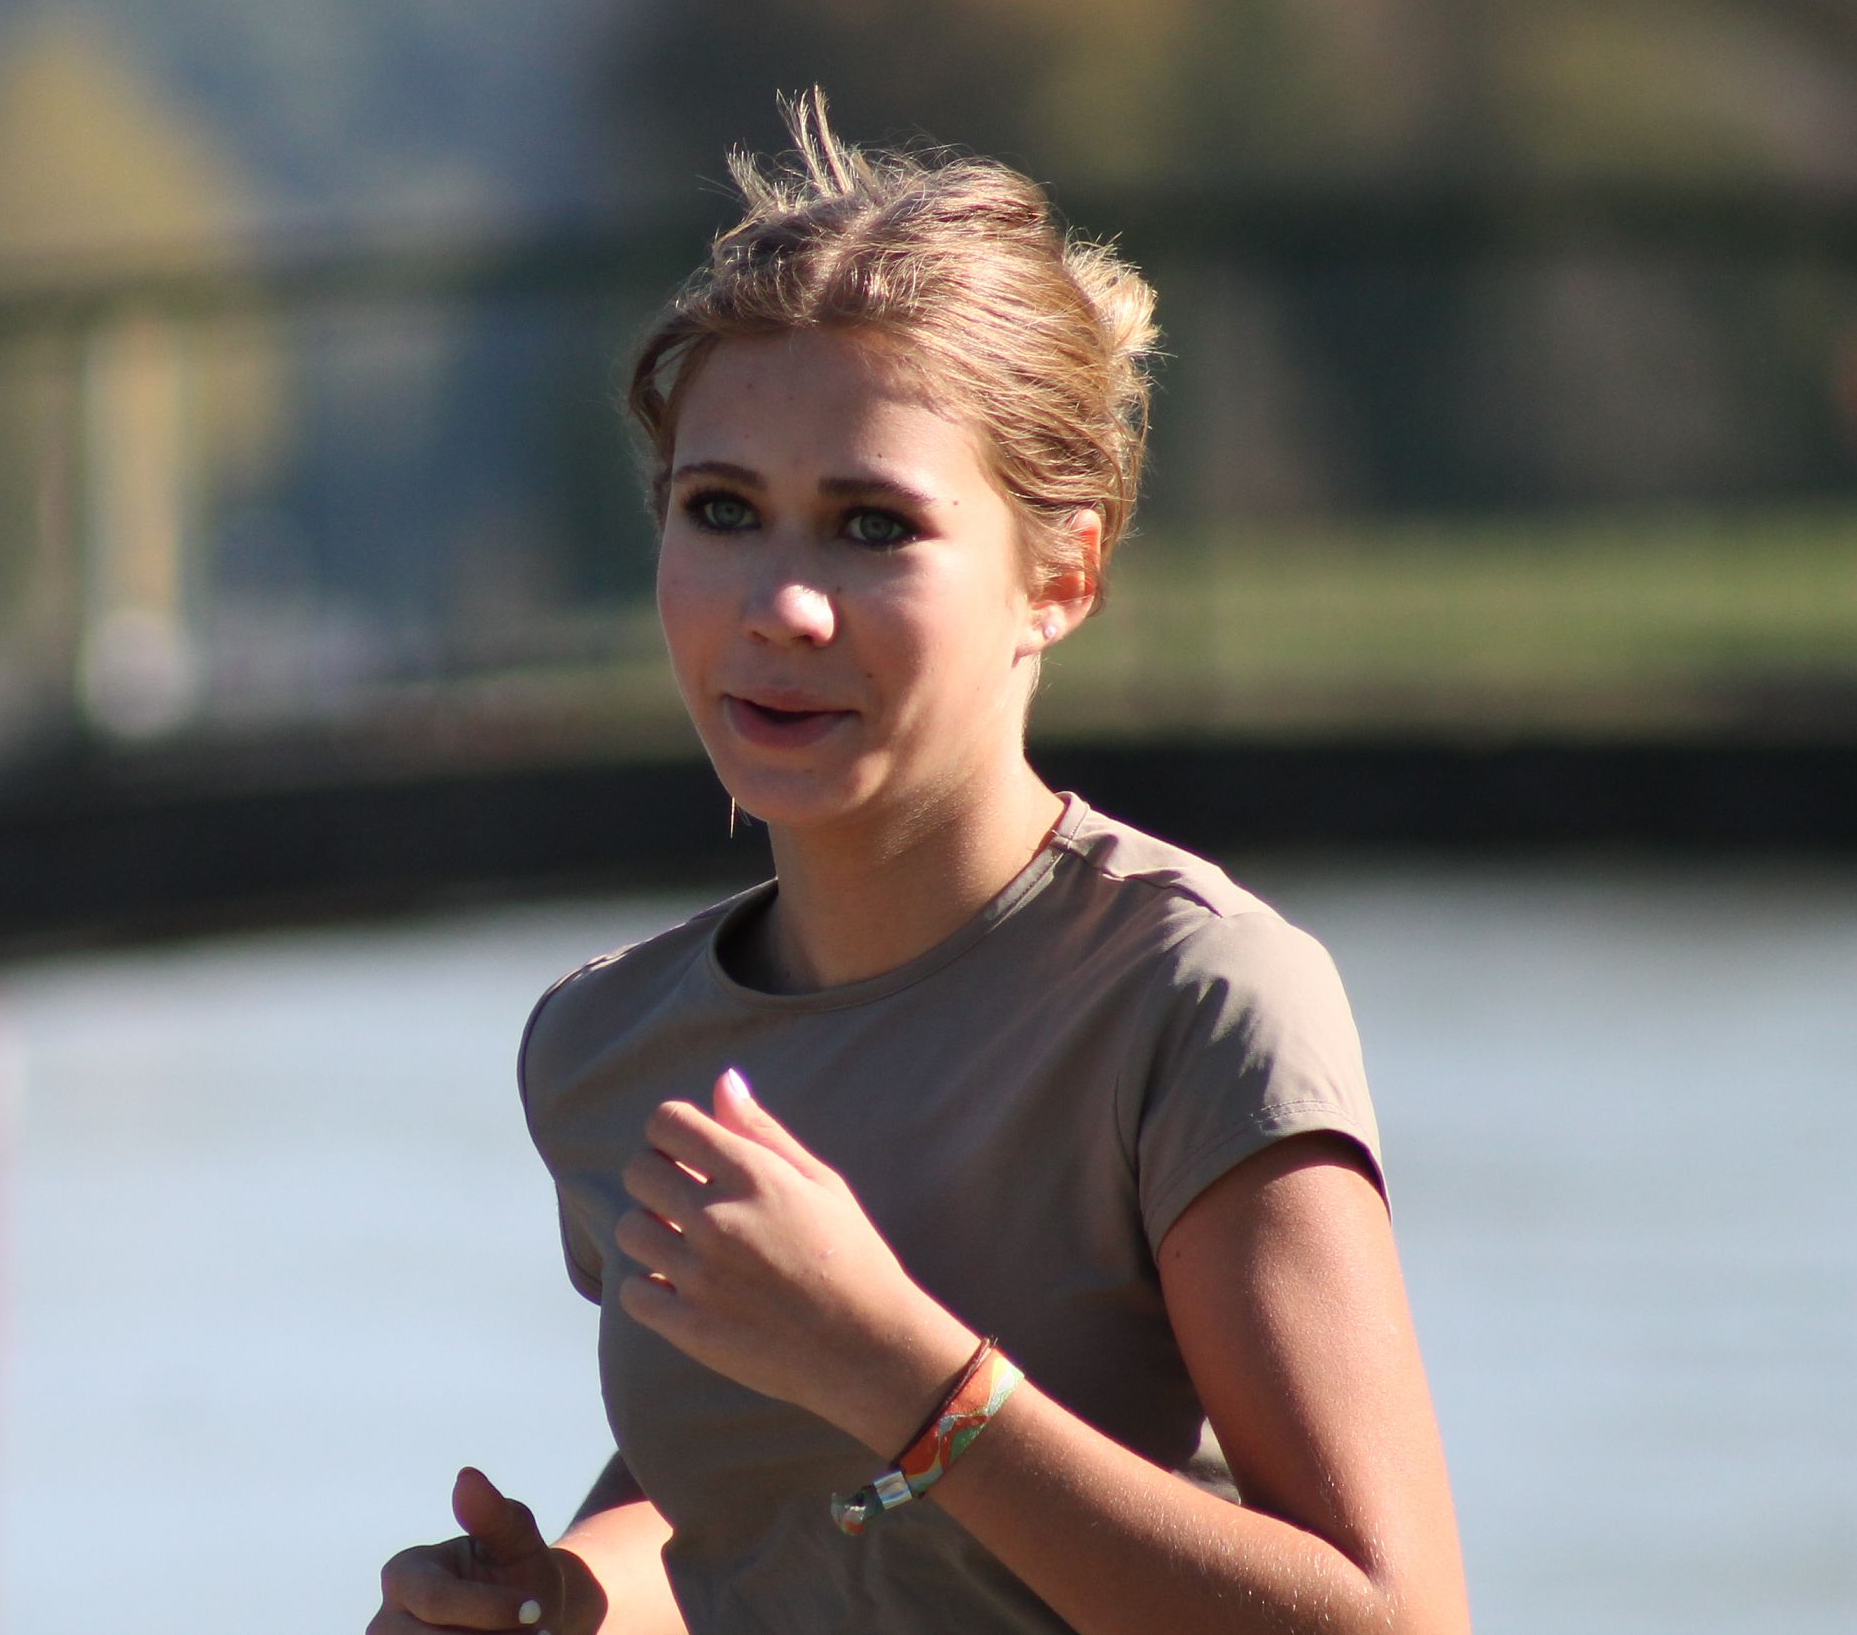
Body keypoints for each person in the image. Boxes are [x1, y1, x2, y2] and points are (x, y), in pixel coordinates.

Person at [368, 98, 1468, 1635]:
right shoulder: (605, 1046)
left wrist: (901, 1372)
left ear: (1059, 572)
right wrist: (557, 1603)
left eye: (871, 525)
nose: (780, 604)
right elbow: (741, 1503)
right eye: (720, 510)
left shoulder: (1192, 999)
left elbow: (1397, 1619)